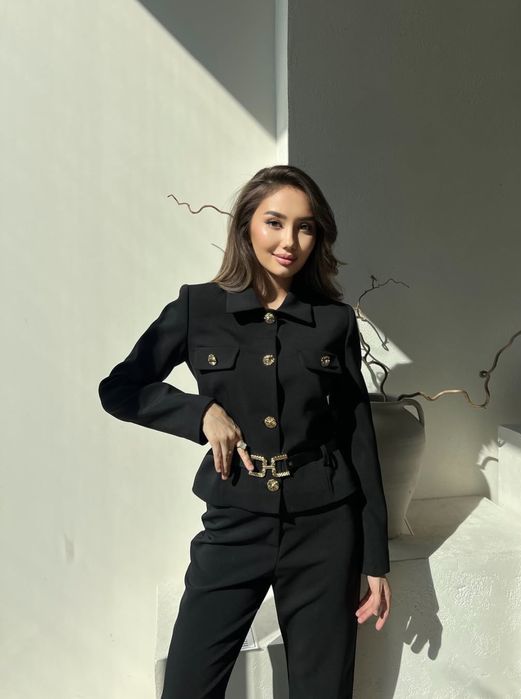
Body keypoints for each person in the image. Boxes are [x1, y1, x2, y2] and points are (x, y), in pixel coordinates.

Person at [98, 164, 392, 698]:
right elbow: (120, 388)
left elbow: (357, 435)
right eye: (274, 222)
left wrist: (375, 558)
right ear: (246, 226)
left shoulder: (334, 320)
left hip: (325, 529)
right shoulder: (198, 307)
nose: (289, 241)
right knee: (188, 685)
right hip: (235, 518)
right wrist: (200, 413)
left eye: (305, 227)